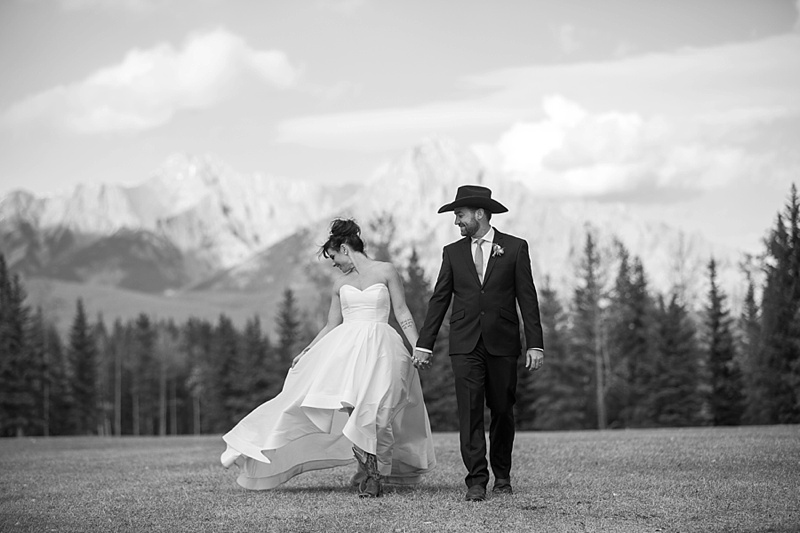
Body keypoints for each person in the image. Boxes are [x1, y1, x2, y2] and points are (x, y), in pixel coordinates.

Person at [221, 219, 436, 497]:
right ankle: (372, 478)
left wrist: (419, 347)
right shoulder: (339, 284)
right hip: (347, 354)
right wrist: (308, 351)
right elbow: (331, 324)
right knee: (354, 412)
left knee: (380, 412)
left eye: (334, 257)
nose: (335, 264)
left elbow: (402, 312)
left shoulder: (386, 271)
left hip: (383, 349)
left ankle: (373, 471)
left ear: (344, 248)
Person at [413, 184, 544, 502]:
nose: (456, 221)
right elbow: (440, 298)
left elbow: (527, 298)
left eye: (459, 214)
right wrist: (424, 343)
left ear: (480, 214)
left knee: (502, 410)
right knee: (469, 411)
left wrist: (535, 343)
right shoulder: (452, 253)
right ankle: (475, 480)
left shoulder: (514, 248)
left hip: (503, 341)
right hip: (465, 343)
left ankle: (502, 477)